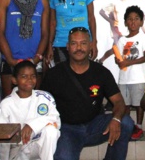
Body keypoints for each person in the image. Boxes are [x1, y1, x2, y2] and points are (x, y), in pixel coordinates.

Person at [41, 27, 134, 160]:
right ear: (67, 47)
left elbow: (119, 102)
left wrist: (116, 119)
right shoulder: (54, 74)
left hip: (96, 126)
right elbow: (41, 105)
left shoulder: (102, 72)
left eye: (83, 43)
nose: (79, 48)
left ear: (91, 45)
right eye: (74, 43)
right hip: (67, 130)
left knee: (125, 122)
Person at [0, 0, 49, 96]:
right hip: (10, 59)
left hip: (34, 59)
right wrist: (10, 59)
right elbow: (0, 32)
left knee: (34, 102)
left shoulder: (43, 1)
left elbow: (45, 33)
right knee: (8, 101)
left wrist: (36, 58)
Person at [0, 60, 61, 160]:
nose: (29, 79)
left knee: (51, 130)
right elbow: (2, 136)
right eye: (24, 76)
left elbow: (56, 120)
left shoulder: (44, 97)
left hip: (38, 146)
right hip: (17, 149)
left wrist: (32, 125)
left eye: (33, 76)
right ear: (14, 80)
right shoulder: (6, 104)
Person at [48, 0, 96, 65]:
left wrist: (93, 42)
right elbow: (52, 22)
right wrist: (49, 45)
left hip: (83, 43)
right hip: (61, 43)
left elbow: (91, 18)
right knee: (63, 79)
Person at [116, 6, 145, 140]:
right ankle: (126, 126)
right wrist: (119, 60)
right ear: (125, 22)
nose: (133, 22)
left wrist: (128, 63)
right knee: (125, 105)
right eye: (129, 19)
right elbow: (119, 58)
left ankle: (139, 126)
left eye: (136, 19)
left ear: (141, 22)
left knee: (138, 104)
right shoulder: (122, 40)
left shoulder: (143, 38)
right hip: (124, 79)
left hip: (137, 78)